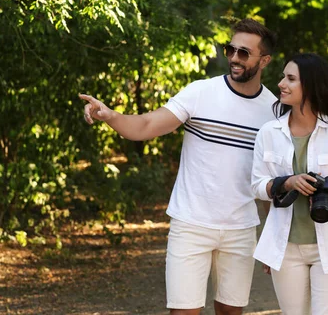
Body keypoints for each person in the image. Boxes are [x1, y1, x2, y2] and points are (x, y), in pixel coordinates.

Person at [79, 19, 278, 315]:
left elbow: (270, 182)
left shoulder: (273, 112)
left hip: (241, 228)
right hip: (191, 223)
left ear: (264, 60)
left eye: (244, 53)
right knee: (183, 311)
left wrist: (271, 242)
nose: (234, 58)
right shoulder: (201, 92)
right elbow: (146, 124)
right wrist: (111, 115)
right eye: (230, 49)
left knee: (230, 311)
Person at [251, 53, 328, 315]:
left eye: (291, 78)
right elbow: (257, 186)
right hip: (285, 247)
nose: (281, 83)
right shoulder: (268, 133)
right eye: (283, 77)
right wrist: (287, 182)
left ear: (312, 85)